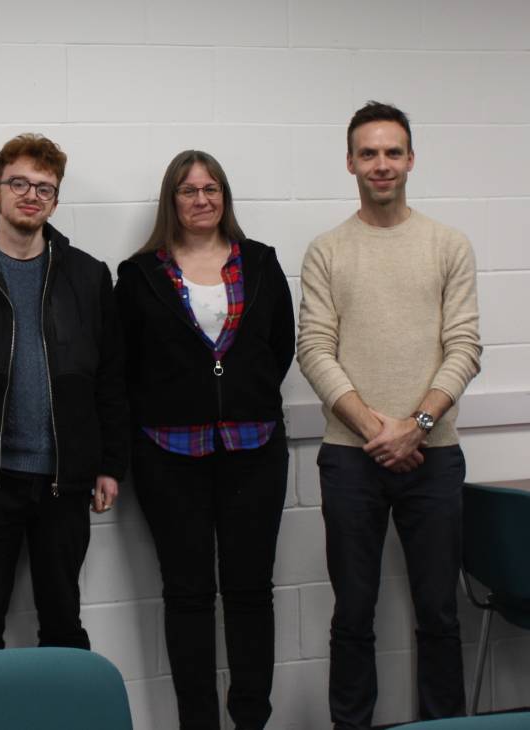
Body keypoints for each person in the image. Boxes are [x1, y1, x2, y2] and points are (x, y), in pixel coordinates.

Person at [297, 101, 482, 728]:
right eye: (369, 153)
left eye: (393, 152)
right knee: (353, 615)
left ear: (411, 159)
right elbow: (314, 349)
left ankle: (443, 724)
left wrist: (418, 426)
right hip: (352, 459)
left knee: (440, 615)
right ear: (349, 162)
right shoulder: (326, 251)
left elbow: (465, 346)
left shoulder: (448, 245)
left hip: (435, 456)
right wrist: (378, 428)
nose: (382, 164)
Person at [0, 133, 126, 651]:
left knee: (63, 623)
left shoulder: (87, 275)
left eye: (45, 188)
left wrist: (109, 463)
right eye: (20, 183)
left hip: (64, 480)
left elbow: (109, 375)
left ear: (55, 201)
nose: (32, 195)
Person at [115, 150, 295, 730]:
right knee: (187, 596)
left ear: (225, 198)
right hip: (169, 455)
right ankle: (198, 722)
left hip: (254, 450)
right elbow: (124, 364)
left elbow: (280, 345)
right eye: (188, 191)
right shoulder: (139, 273)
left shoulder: (261, 263)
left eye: (211, 189)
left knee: (249, 592)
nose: (201, 200)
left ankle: (249, 720)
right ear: (172, 201)